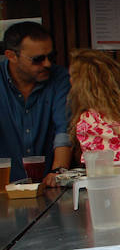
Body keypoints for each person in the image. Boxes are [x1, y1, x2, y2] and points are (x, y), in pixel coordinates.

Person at [0, 22, 72, 186]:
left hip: (48, 185)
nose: (47, 64)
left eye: (51, 57)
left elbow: (65, 129)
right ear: (11, 55)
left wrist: (58, 172)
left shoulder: (60, 77)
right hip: (5, 187)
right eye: (38, 59)